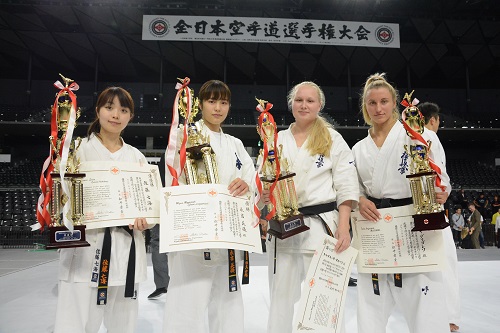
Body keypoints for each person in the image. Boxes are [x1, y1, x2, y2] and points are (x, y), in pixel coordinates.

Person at [352, 73, 451, 333]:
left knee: (424, 302)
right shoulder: (359, 148)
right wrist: (360, 200)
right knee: (371, 305)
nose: (378, 108)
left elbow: (442, 178)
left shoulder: (420, 136)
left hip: (415, 221)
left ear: (395, 102)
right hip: (375, 226)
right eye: (372, 103)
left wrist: (442, 191)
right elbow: (353, 189)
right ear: (365, 106)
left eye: (384, 101)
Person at [260, 81, 359, 333]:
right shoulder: (276, 137)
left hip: (321, 225)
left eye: (310, 101)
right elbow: (263, 177)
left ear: (320, 105)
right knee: (280, 296)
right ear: (291, 104)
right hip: (284, 226)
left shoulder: (332, 138)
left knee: (324, 295)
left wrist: (344, 227)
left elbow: (346, 185)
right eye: (299, 100)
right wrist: (264, 198)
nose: (304, 105)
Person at [53, 87, 150, 333]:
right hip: (86, 249)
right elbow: (59, 196)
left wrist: (146, 221)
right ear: (98, 111)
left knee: (124, 326)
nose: (116, 114)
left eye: (123, 110)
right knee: (75, 324)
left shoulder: (137, 157)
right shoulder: (76, 150)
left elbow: (149, 206)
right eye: (109, 107)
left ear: (131, 116)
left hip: (127, 249)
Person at [162, 80, 254, 333]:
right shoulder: (184, 135)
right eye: (212, 101)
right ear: (199, 104)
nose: (218, 108)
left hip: (228, 235)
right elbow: (173, 179)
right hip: (194, 233)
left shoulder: (235, 144)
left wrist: (246, 185)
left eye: (223, 102)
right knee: (186, 306)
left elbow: (251, 179)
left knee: (228, 306)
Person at [419, 100, 461, 332]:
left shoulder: (403, 135)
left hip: (410, 208)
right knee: (445, 261)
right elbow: (441, 181)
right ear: (433, 120)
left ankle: (430, 313)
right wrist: (445, 191)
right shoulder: (430, 136)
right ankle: (449, 317)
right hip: (431, 209)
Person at [146, 154, 170, 300]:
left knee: (158, 244)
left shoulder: (165, 156)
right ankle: (184, 284)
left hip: (161, 203)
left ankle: (162, 284)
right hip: (179, 203)